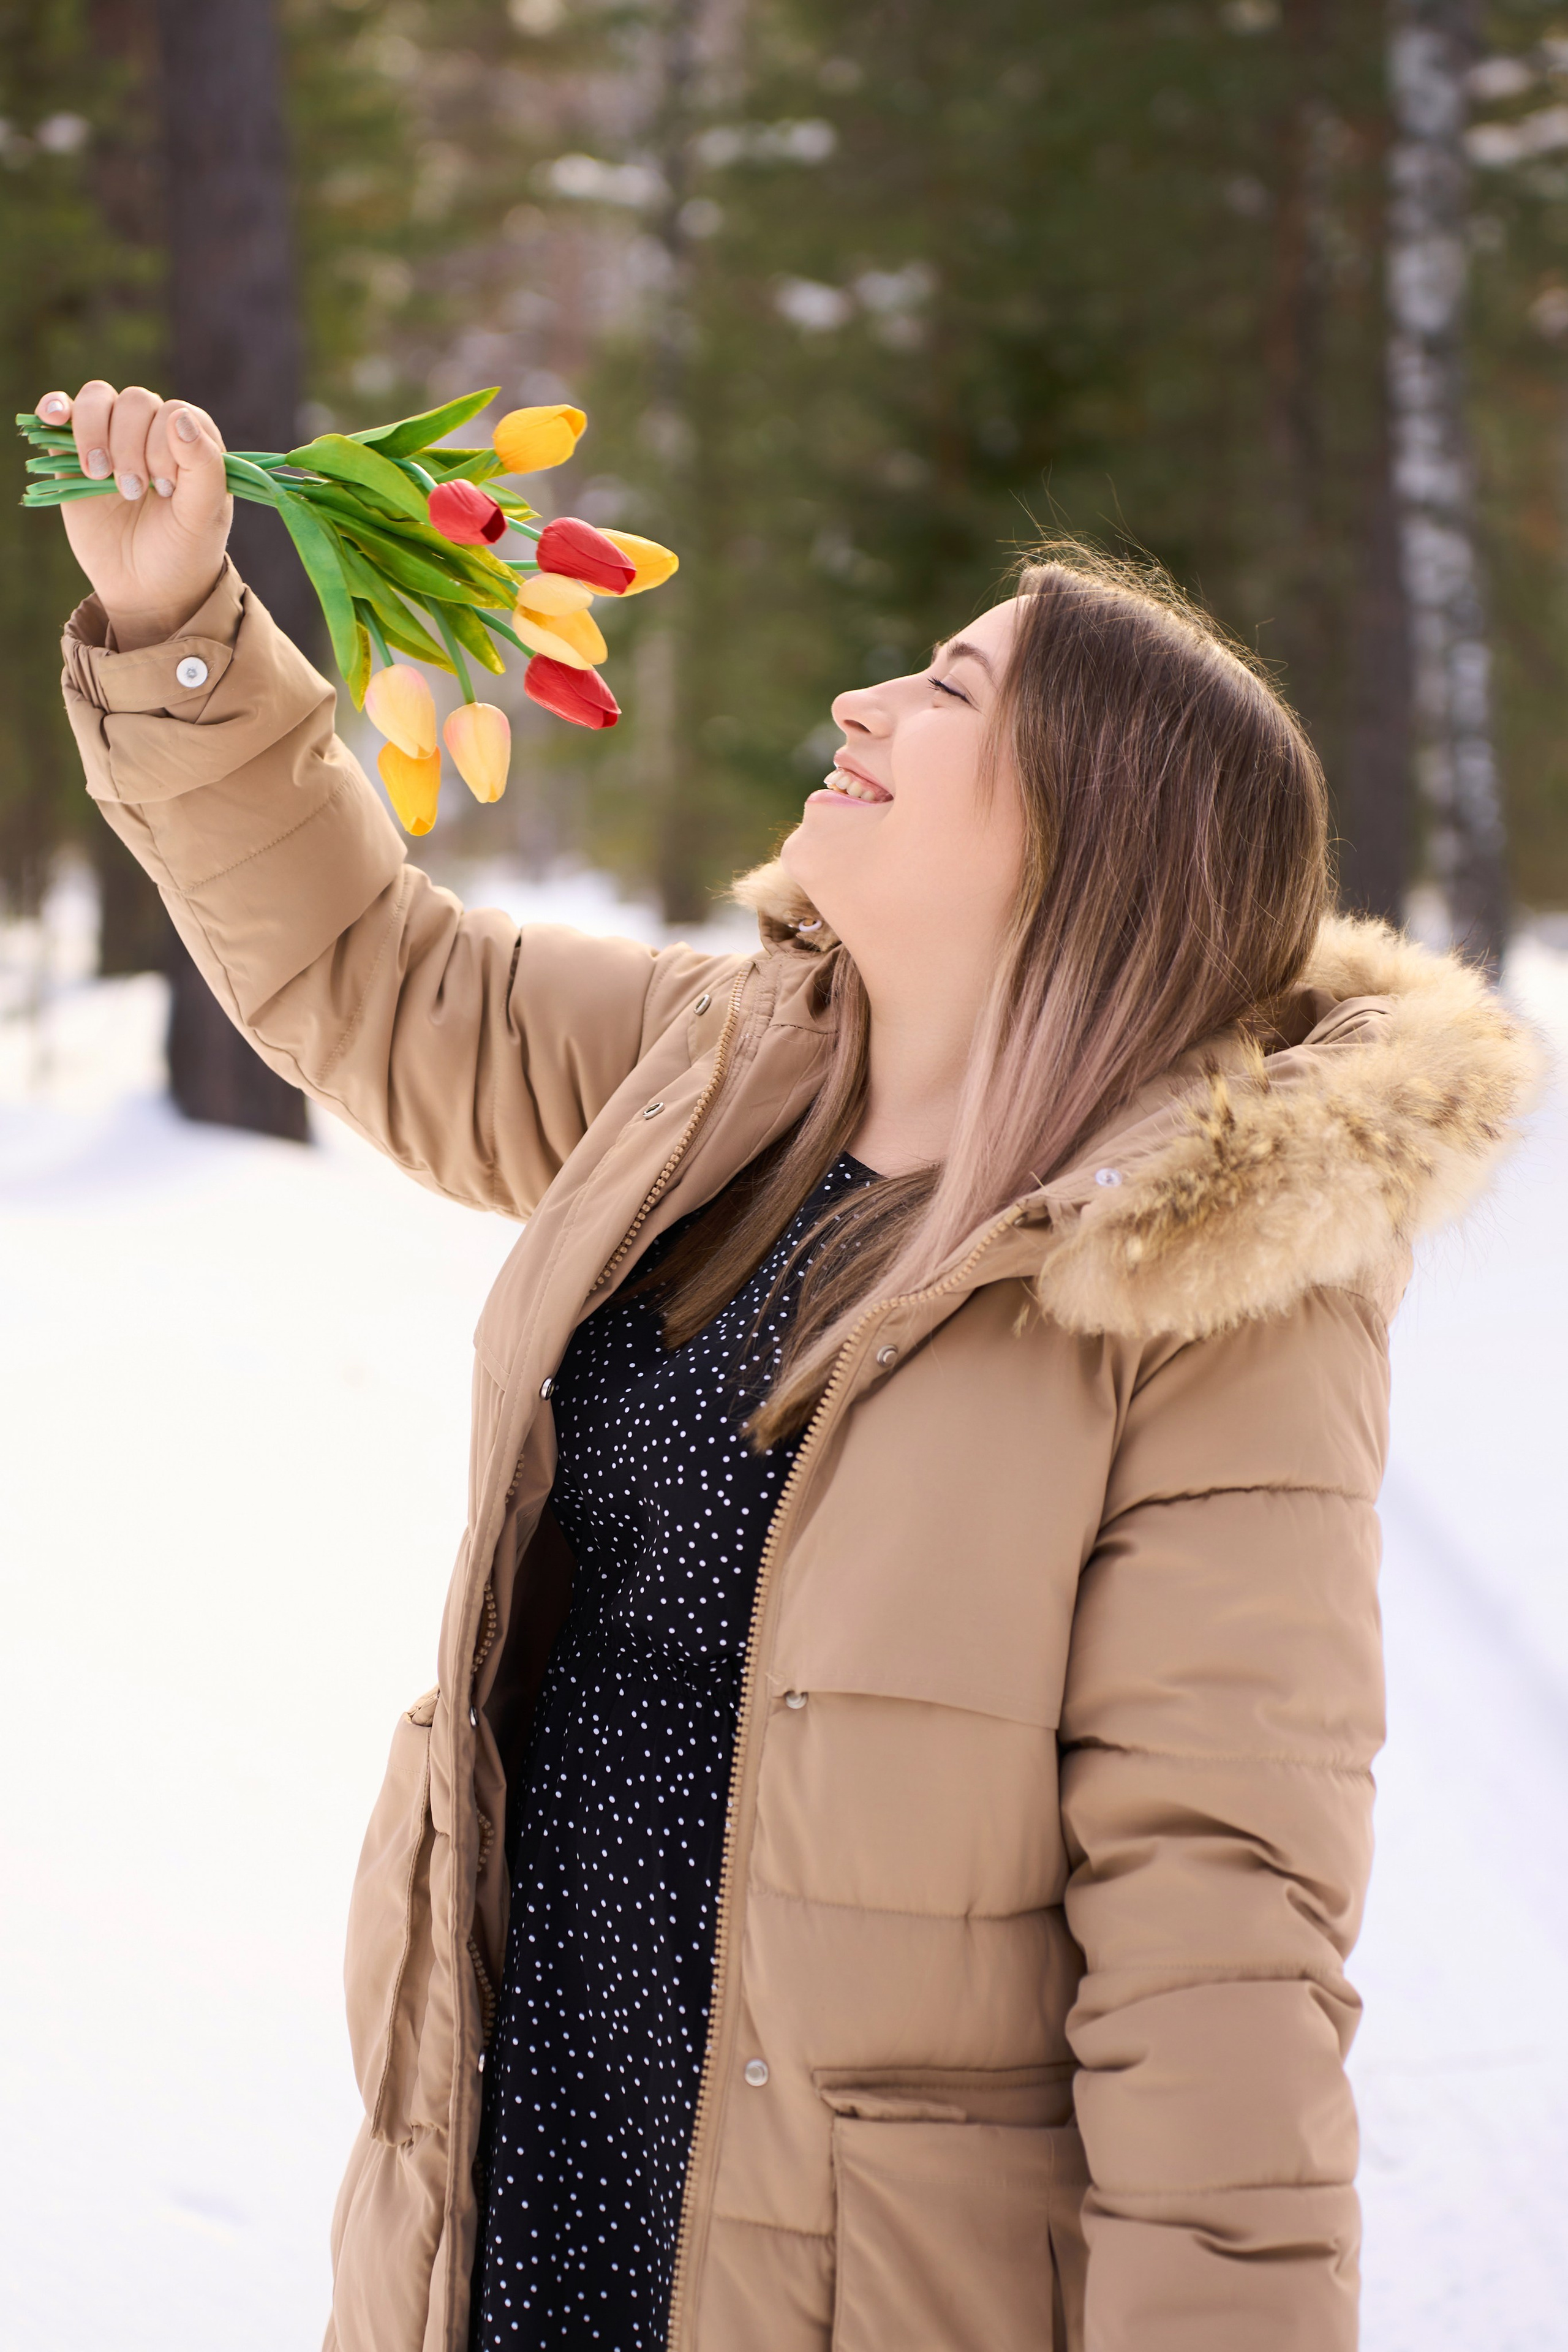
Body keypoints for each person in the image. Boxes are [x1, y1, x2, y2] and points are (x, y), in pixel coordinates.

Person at [41, 380, 1538, 2352]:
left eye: (948, 689)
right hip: (511, 2168)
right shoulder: (720, 1069)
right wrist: (181, 628)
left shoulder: (1212, 1291)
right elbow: (374, 980)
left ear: (1091, 837)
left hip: (842, 2274)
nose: (863, 707)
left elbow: (1215, 1940)